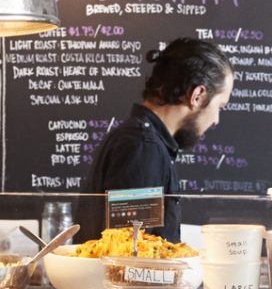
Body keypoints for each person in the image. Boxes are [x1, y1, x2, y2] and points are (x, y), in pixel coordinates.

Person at [76, 36, 233, 244]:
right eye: (219, 107)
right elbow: (130, 253)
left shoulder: (140, 140)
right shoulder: (144, 147)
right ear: (197, 96)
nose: (216, 121)